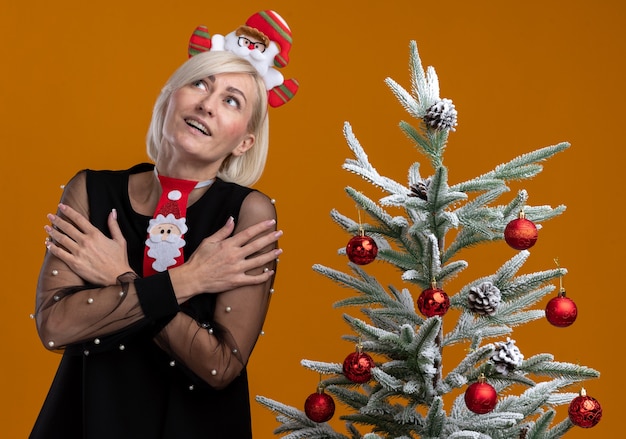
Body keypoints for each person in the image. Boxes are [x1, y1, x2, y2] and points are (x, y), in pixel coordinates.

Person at [30, 10, 297, 439]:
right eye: (200, 84)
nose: (207, 104)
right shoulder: (90, 191)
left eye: (231, 100)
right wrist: (189, 279)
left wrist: (120, 277)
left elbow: (220, 365)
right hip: (85, 418)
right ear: (171, 95)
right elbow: (56, 326)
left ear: (245, 139)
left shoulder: (249, 214)